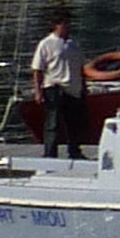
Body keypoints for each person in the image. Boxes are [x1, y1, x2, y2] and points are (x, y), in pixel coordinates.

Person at [29, 9, 92, 155]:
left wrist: (83, 86)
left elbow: (81, 67)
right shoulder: (46, 44)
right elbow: (37, 69)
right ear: (57, 25)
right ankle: (50, 153)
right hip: (55, 87)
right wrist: (38, 91)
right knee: (53, 124)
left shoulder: (74, 44)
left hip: (73, 88)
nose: (69, 26)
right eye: (65, 23)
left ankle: (74, 150)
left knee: (74, 123)